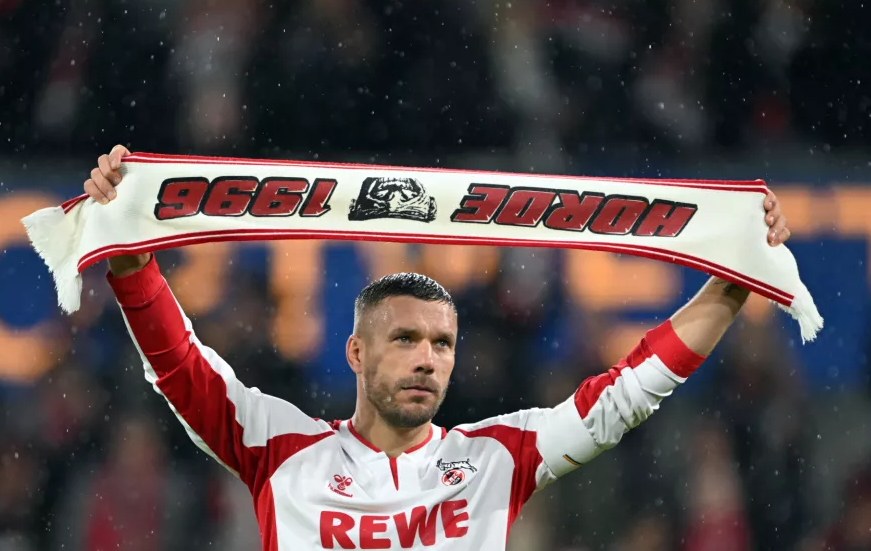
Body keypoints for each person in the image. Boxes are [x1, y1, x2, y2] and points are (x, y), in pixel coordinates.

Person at [84, 144, 792, 550]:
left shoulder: (491, 461)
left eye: (442, 344)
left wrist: (734, 279)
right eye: (405, 339)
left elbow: (629, 393)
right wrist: (125, 253)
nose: (428, 357)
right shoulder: (279, 449)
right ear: (356, 352)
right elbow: (179, 364)